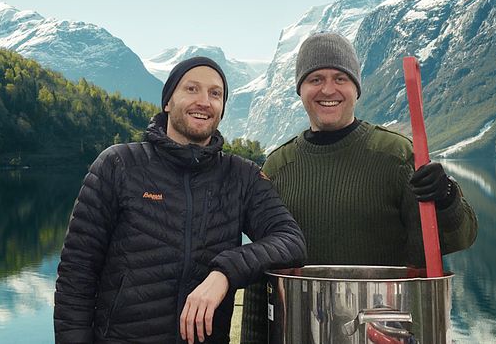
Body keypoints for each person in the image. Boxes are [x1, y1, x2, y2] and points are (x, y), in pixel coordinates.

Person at [241, 32, 478, 343]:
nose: (328, 89)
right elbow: (262, 275)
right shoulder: (277, 167)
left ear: (356, 88)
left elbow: (459, 237)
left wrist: (446, 196)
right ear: (300, 90)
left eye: (340, 78)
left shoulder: (396, 155)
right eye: (315, 79)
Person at [54, 56, 307, 344]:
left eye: (215, 94)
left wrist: (224, 274)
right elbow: (76, 276)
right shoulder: (118, 165)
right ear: (167, 102)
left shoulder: (241, 176)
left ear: (222, 109)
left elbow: (291, 241)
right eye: (191, 89)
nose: (204, 101)